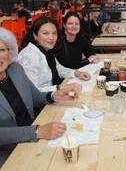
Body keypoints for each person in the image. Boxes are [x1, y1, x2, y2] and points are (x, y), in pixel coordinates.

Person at [0, 27, 82, 166]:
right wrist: (37, 131)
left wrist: (54, 95)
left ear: (10, 52)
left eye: (1, 50)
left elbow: (35, 97)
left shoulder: (15, 70)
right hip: (9, 152)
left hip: (34, 139)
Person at [17, 17, 91, 92]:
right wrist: (60, 88)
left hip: (51, 96)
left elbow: (58, 68)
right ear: (35, 36)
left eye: (54, 33)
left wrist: (76, 73)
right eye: (46, 33)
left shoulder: (46, 50)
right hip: (40, 102)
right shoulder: (29, 56)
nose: (51, 37)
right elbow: (33, 91)